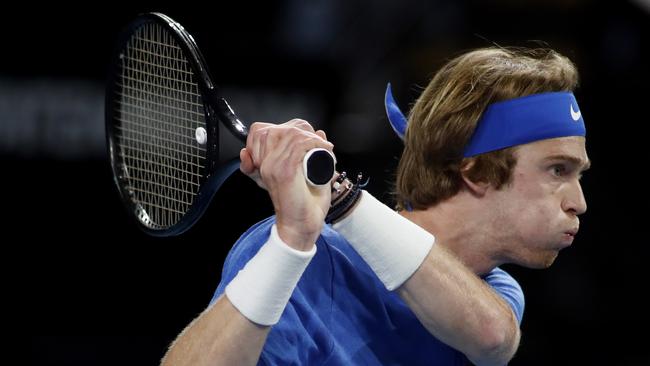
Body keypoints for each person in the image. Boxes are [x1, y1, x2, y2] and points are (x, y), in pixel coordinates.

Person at [160, 47, 590, 366]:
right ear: (475, 172)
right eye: (558, 170)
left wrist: (342, 200)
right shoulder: (308, 256)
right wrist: (291, 242)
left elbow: (492, 338)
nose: (579, 202)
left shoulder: (496, 293)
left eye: (578, 174)